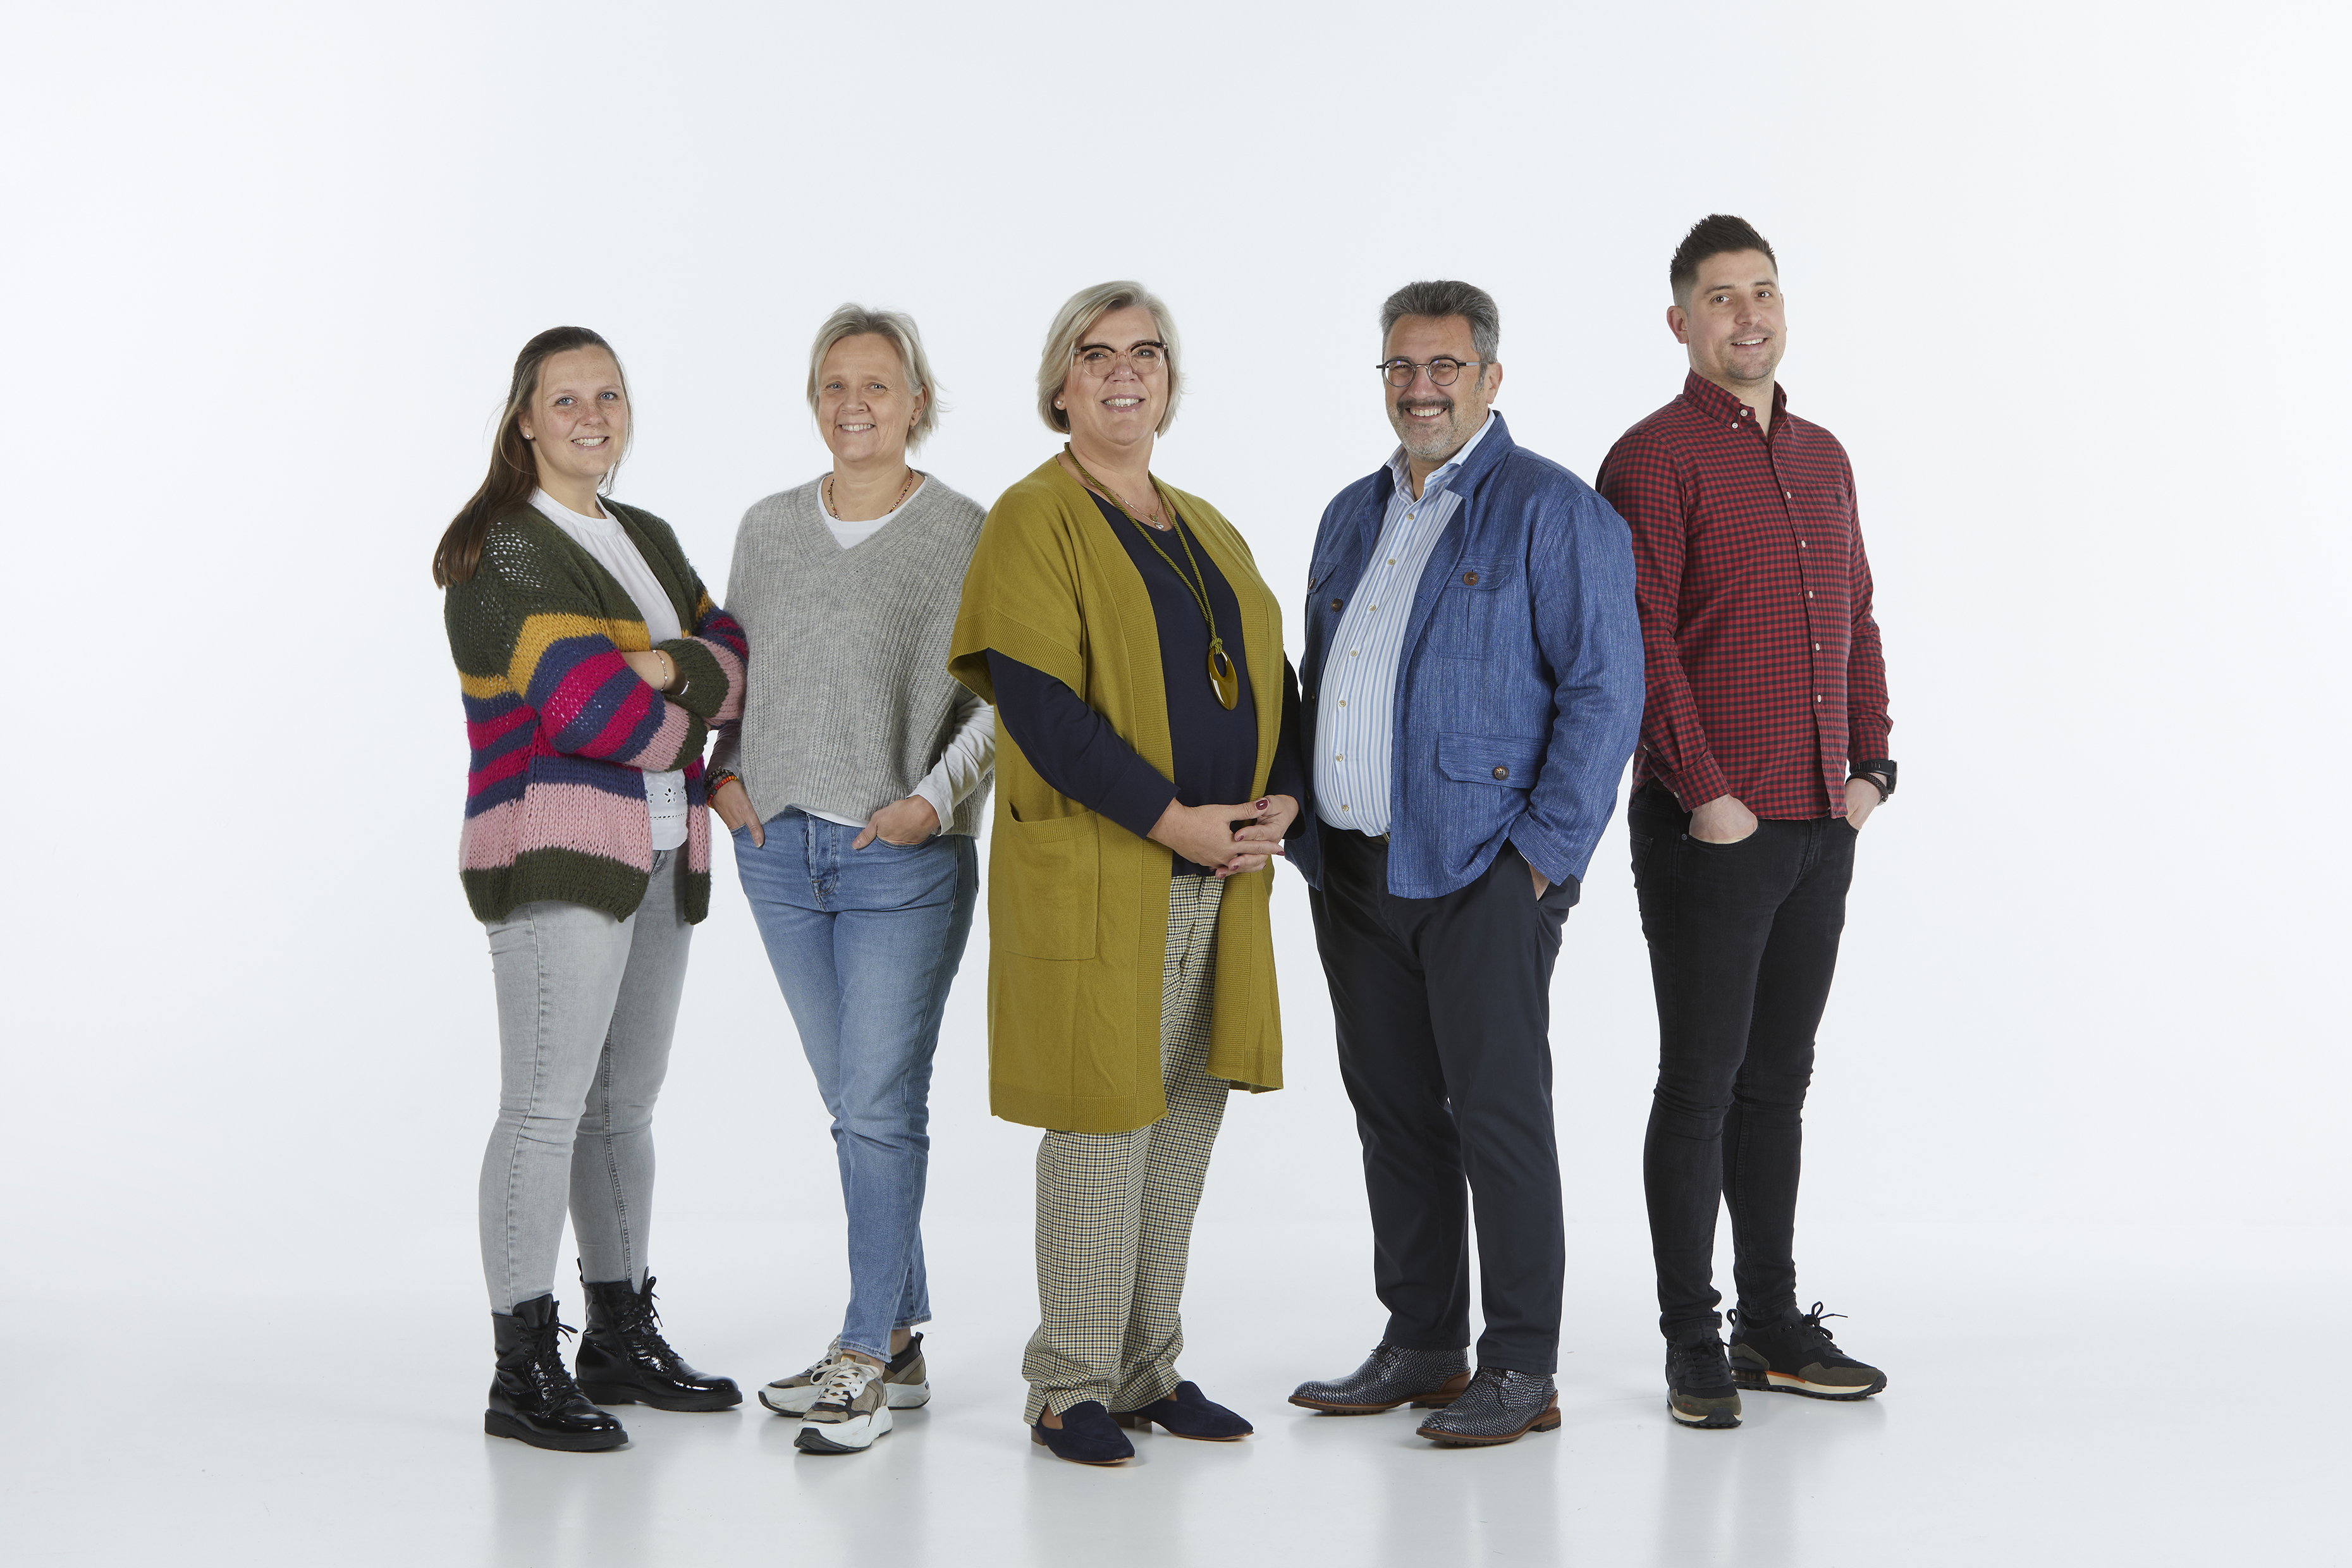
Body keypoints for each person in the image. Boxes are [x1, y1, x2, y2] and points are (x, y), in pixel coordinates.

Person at [946, 281, 1304, 1466]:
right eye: (1096, 355)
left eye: (1145, 354)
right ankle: (1069, 1385)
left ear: (1169, 381)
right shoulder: (1033, 517)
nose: (1124, 373)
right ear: (1060, 386)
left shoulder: (1204, 524)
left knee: (1185, 1117)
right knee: (1104, 1122)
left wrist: (1284, 795)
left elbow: (1274, 676)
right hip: (1110, 868)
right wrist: (1172, 820)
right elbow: (1042, 713)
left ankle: (1148, 1368)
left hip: (1225, 871)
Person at [1286, 281, 1644, 1448]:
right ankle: (1424, 1341)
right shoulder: (1350, 514)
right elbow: (1323, 678)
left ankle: (1524, 1366)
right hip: (1354, 871)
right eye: (1401, 366)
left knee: (1499, 1116)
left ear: (1491, 377)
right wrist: (1304, 828)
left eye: (1445, 366)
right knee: (1394, 1112)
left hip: (1483, 867)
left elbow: (1606, 693)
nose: (1421, 388)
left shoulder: (1553, 509)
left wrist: (1538, 862)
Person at [1595, 215, 1897, 1431]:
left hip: (1822, 817)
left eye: (1763, 291)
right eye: (1722, 297)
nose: (1748, 314)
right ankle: (1693, 1341)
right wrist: (1708, 791)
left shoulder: (1824, 456)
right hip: (1708, 829)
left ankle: (1771, 1323)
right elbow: (1641, 644)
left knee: (1780, 1085)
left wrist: (1872, 767)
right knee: (1701, 1087)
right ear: (1682, 322)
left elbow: (1857, 618)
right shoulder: (1652, 459)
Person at [434, 326, 748, 1452]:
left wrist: (661, 671)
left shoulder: (646, 535)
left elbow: (736, 658)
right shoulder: (504, 551)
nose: (591, 417)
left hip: (662, 850)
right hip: (554, 852)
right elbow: (586, 713)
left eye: (608, 395)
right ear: (524, 419)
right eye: (565, 399)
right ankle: (522, 1371)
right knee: (543, 1107)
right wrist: (683, 699)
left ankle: (618, 1337)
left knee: (624, 1109)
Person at [702, 305, 994, 1456]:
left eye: (877, 384)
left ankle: (865, 1352)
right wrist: (727, 779)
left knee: (875, 1108)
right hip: (779, 853)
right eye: (834, 384)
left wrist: (932, 800)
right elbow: (732, 676)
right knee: (859, 1107)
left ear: (917, 400)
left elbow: (1003, 698)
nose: (854, 404)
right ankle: (901, 1343)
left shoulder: (964, 531)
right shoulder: (768, 527)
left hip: (901, 857)